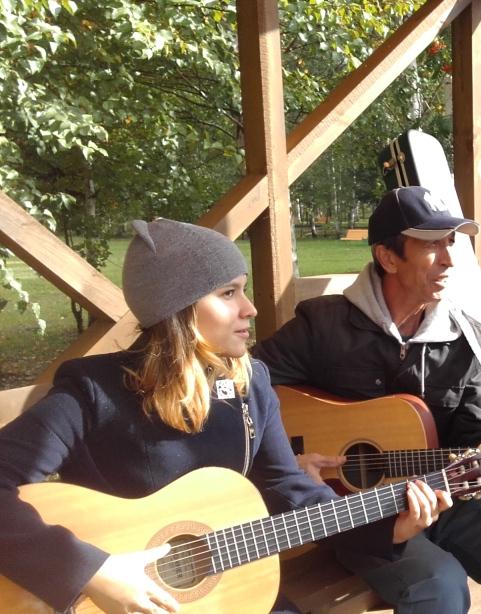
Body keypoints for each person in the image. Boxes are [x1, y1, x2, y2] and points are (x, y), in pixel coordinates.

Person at [0, 219, 449, 614]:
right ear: (178, 309)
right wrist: (92, 571)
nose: (250, 308)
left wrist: (387, 526)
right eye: (228, 293)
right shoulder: (92, 392)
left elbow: (288, 489)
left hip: (229, 593)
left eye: (244, 290)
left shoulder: (250, 382)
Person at [253, 185, 481, 614]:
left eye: (451, 242)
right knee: (440, 585)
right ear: (388, 257)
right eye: (431, 245)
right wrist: (284, 461)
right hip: (354, 510)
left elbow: (476, 442)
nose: (449, 259)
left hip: (447, 494)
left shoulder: (467, 339)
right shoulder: (324, 324)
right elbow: (245, 386)